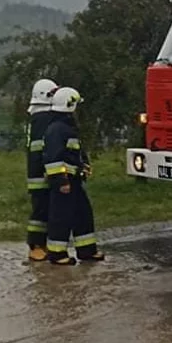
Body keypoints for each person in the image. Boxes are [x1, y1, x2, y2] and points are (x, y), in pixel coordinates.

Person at [42, 86, 104, 266]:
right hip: (64, 182)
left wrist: (83, 165)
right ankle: (56, 254)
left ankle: (86, 251)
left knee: (83, 215)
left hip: (74, 181)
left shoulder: (65, 127)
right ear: (69, 106)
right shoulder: (57, 129)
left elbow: (72, 153)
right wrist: (61, 181)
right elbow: (53, 158)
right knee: (61, 217)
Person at [25, 78, 58, 262]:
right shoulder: (42, 117)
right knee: (40, 212)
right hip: (40, 173)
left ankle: (41, 243)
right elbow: (40, 147)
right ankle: (35, 245)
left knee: (44, 209)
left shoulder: (38, 115)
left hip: (39, 170)